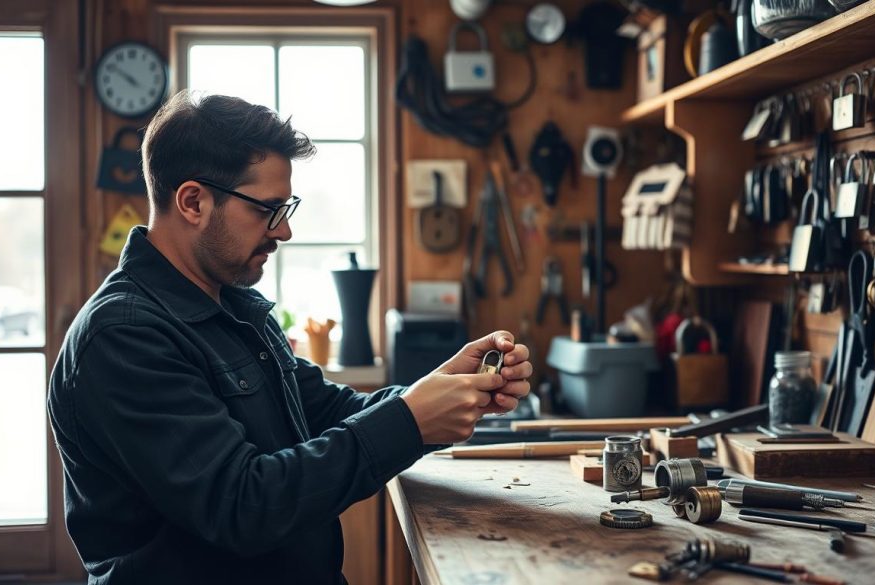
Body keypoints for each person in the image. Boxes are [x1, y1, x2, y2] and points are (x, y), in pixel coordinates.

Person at [48, 90, 532, 585]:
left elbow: (322, 410)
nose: (284, 233)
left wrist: (446, 388)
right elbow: (242, 505)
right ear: (193, 201)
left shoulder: (231, 305)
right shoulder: (124, 337)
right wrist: (411, 421)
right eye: (267, 209)